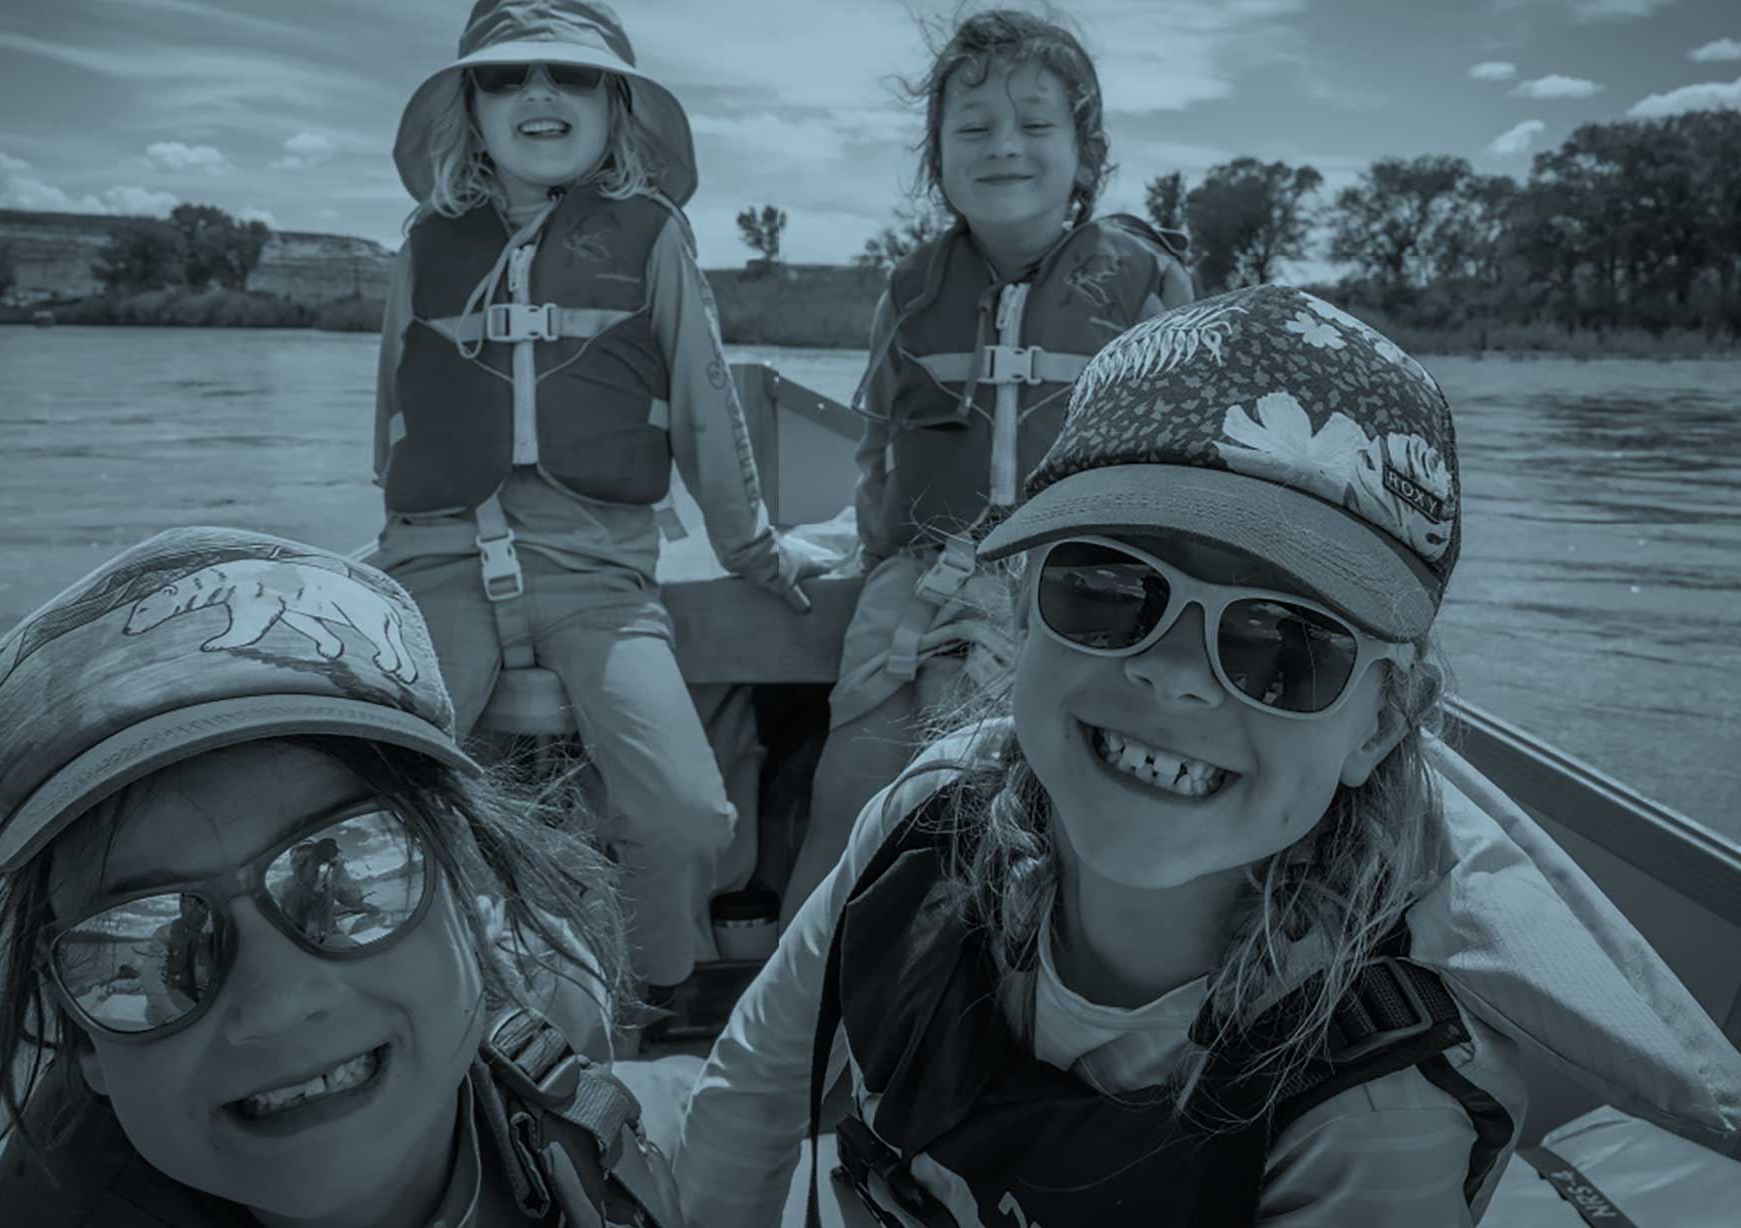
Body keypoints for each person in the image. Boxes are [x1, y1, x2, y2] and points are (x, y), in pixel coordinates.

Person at [674, 285, 1741, 1225]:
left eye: (1285, 645)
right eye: (1105, 587)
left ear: (1378, 720)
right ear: (1021, 611)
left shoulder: (1375, 1108)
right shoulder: (916, 821)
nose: (1177, 675)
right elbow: (752, 1097)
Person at [0, 526, 683, 1227]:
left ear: (474, 905)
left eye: (352, 874)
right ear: (81, 1043)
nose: (275, 1004)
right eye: (140, 944)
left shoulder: (566, 1036)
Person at [375, 0, 828, 997]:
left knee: (686, 816)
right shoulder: (425, 244)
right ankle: (448, 992)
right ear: (473, 107)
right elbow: (395, 415)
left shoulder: (654, 236)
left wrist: (758, 554)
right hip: (441, 562)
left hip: (599, 573)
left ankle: (644, 987)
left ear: (615, 106)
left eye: (570, 75)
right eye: (507, 76)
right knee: (384, 799)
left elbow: (711, 413)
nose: (539, 93)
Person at [780, 8, 1195, 923]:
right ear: (939, 162)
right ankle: (797, 994)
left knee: (997, 809)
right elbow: (876, 442)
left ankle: (980, 996)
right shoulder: (913, 288)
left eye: (1036, 125)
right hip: (918, 573)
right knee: (849, 786)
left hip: (1078, 582)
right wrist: (874, 552)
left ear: (1085, 156)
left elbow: (1192, 465)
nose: (1004, 147)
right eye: (973, 129)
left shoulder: (1146, 281)